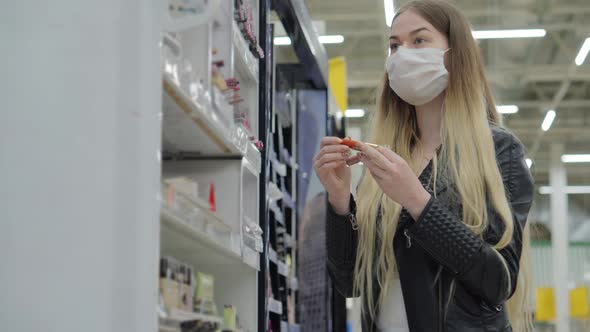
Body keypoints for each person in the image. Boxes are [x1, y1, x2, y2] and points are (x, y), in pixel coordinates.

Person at [313, 1, 535, 331]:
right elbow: (351, 283)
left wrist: (417, 200)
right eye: (394, 45)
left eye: (419, 40)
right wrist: (339, 200)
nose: (402, 55)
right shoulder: (386, 160)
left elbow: (498, 281)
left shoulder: (498, 150)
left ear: (455, 53)